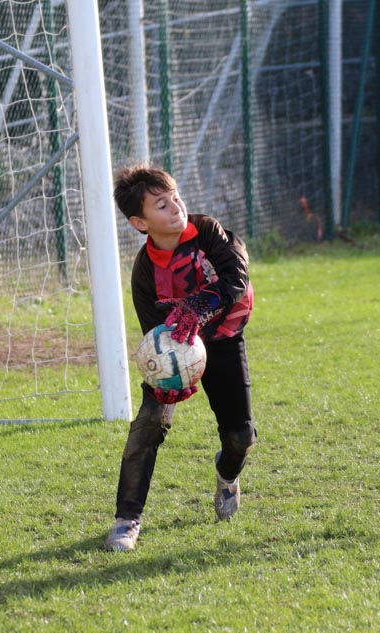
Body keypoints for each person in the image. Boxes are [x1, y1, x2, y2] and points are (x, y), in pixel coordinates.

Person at [104, 163, 257, 551]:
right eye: (162, 204)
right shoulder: (144, 273)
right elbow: (155, 337)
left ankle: (227, 474)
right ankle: (126, 520)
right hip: (179, 348)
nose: (176, 207)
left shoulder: (208, 232)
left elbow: (236, 278)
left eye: (175, 197)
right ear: (140, 223)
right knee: (148, 424)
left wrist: (198, 307)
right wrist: (168, 380)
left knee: (241, 437)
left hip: (222, 340)